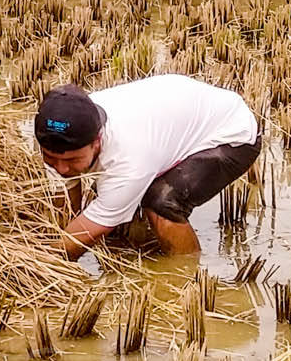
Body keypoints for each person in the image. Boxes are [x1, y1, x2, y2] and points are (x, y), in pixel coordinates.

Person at [34, 76, 260, 257]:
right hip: (173, 120)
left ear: (97, 141)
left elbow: (82, 236)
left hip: (231, 133)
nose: (61, 168)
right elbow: (66, 197)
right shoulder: (60, 129)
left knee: (161, 201)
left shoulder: (129, 157)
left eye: (72, 161)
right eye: (51, 159)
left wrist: (39, 263)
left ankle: (186, 273)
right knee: (112, 194)